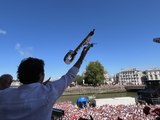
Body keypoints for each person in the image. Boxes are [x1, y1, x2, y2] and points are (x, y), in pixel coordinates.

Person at [0, 46, 92, 120]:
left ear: (20, 76)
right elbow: (70, 75)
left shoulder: (3, 94)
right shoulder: (48, 92)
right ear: (41, 75)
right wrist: (82, 56)